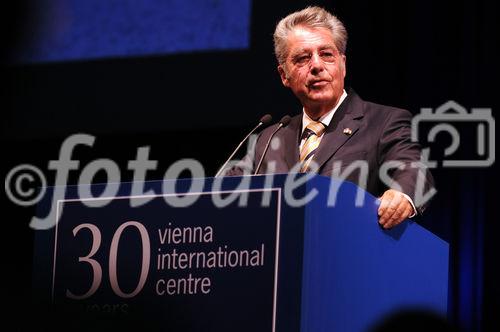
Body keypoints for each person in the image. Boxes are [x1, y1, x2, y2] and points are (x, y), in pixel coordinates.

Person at [228, 6, 434, 229]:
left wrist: (402, 196)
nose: (316, 65)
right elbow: (224, 191)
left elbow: (415, 170)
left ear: (342, 64)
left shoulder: (384, 122)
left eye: (326, 55)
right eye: (302, 58)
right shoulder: (269, 138)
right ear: (284, 75)